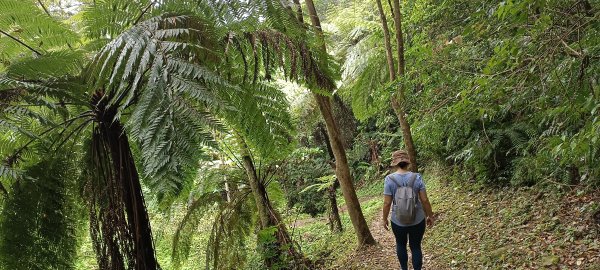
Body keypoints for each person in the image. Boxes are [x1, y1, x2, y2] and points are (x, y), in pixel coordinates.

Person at [382, 150, 434, 270]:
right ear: (407, 162)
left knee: (400, 244)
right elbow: (425, 200)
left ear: (395, 163)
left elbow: (387, 203)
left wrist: (384, 219)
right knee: (416, 247)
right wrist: (430, 216)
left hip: (398, 220)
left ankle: (404, 268)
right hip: (418, 219)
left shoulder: (389, 179)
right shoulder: (417, 177)